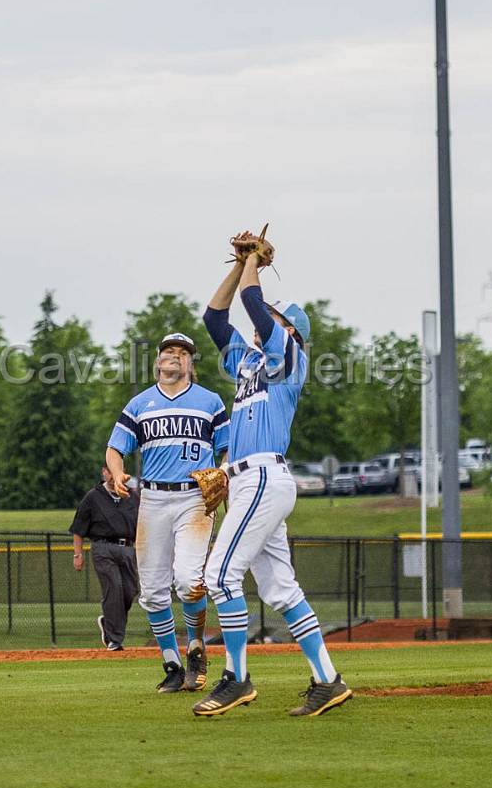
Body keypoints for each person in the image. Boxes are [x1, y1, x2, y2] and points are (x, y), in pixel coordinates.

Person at [194, 232, 351, 717]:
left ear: (290, 329)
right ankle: (328, 680)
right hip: (246, 481)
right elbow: (214, 318)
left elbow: (251, 302)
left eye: (275, 319)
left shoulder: (289, 358)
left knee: (220, 577)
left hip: (263, 479)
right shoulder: (248, 362)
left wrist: (254, 266)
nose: (265, 323)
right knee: (281, 589)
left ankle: (236, 679)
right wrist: (239, 262)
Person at [105, 332, 230, 693]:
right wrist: (117, 473)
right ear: (158, 361)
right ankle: (172, 665)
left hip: (194, 497)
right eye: (168, 351)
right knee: (154, 592)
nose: (174, 356)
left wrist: (223, 471)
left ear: (191, 363)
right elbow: (115, 448)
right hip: (154, 500)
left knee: (189, 580)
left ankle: (195, 647)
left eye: (182, 352)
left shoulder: (209, 402)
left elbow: (228, 447)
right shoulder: (140, 404)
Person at [69, 468, 141, 652]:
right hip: (103, 547)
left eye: (116, 471)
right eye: (109, 471)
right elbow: (78, 528)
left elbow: (142, 525)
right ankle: (115, 640)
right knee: (114, 587)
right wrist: (78, 555)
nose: (112, 475)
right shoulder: (94, 497)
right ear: (104, 473)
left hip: (127, 548)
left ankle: (108, 623)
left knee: (130, 591)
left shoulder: (132, 497)